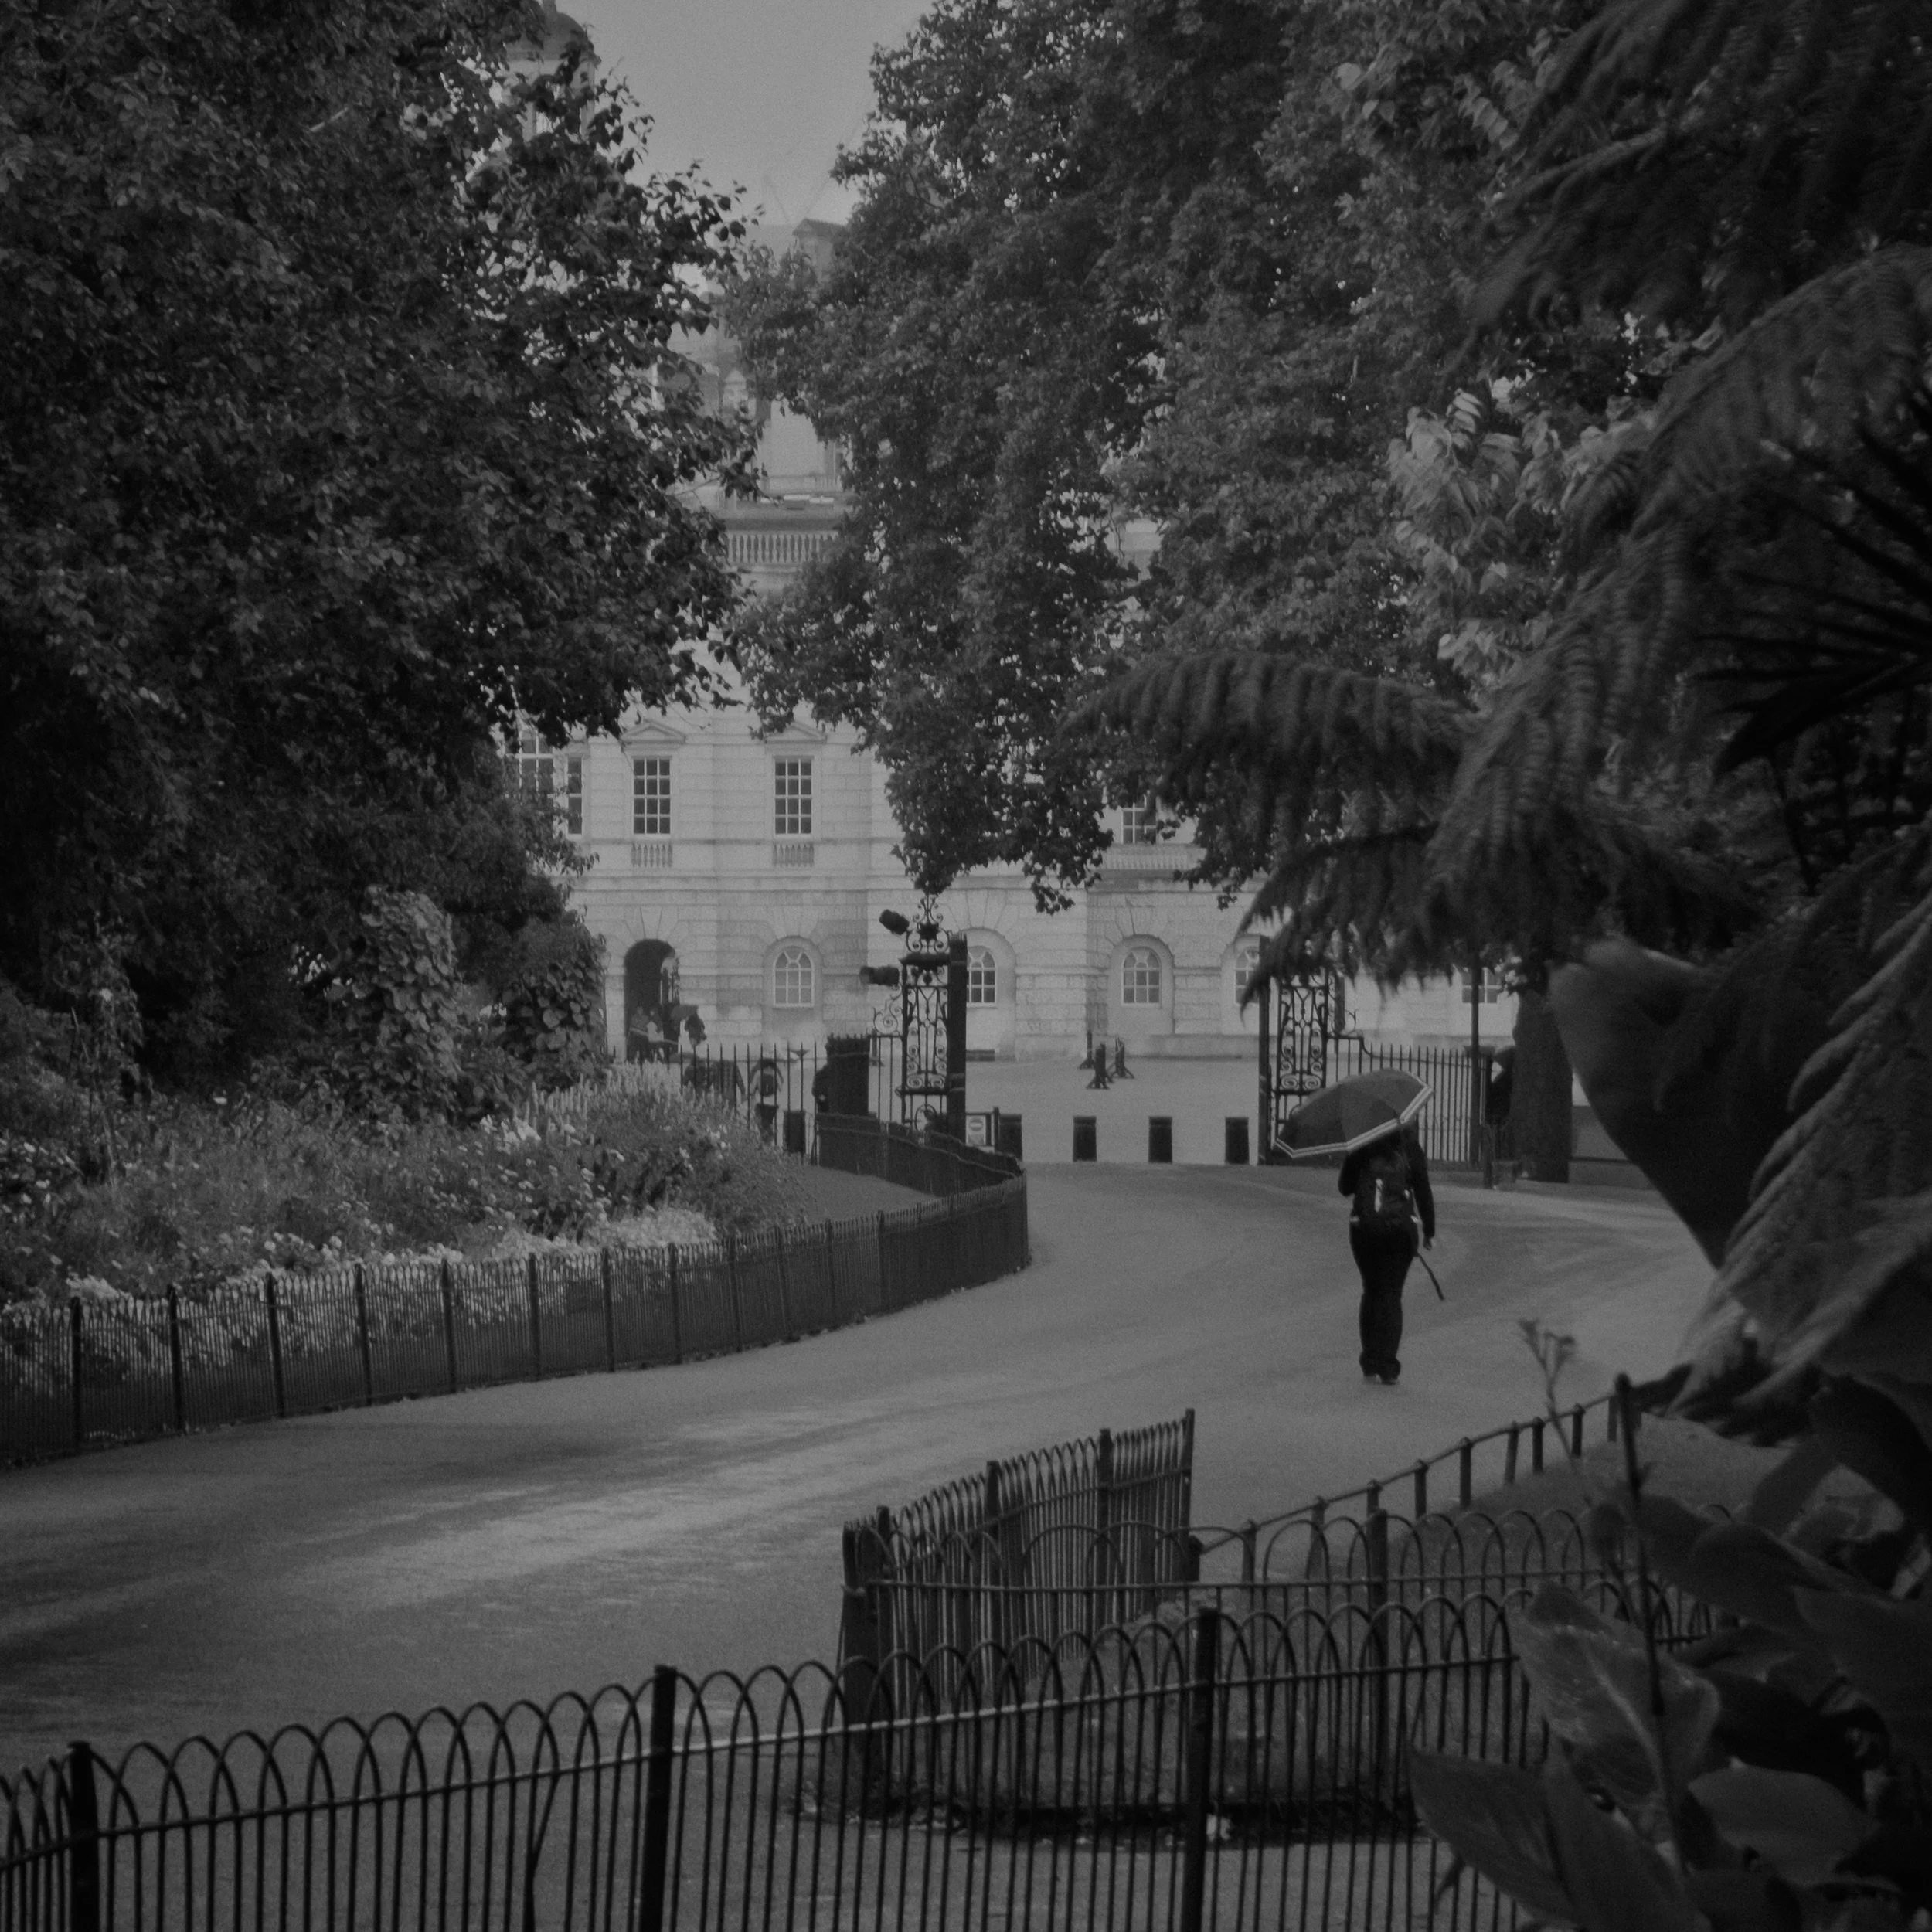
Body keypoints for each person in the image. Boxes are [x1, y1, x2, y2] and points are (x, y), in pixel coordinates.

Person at [1337, 1123, 1435, 1384]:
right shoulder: (1410, 1148)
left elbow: (1345, 1187)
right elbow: (1423, 1189)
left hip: (1365, 1230)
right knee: (1392, 1294)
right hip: (1400, 1232)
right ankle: (1388, 1366)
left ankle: (1370, 1360)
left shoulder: (1361, 1144)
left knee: (1371, 1290)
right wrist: (1429, 1230)